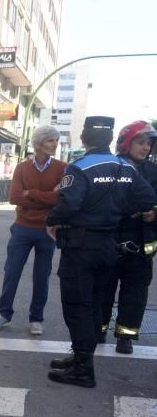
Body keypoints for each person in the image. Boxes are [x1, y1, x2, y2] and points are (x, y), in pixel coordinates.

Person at [45, 117, 157, 387]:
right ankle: (80, 357)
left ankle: (83, 368)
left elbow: (69, 204)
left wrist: (51, 221)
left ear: (83, 138)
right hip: (108, 246)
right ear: (110, 140)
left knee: (77, 306)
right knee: (94, 304)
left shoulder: (80, 167)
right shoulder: (126, 168)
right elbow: (147, 201)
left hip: (82, 246)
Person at [0, 126, 65, 335]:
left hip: (47, 230)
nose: (55, 144)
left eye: (56, 140)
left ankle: (36, 318)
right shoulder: (22, 168)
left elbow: (61, 198)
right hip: (22, 228)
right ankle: (4, 314)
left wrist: (31, 194)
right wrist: (48, 197)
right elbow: (14, 198)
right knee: (11, 272)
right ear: (38, 144)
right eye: (50, 140)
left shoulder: (62, 168)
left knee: (42, 276)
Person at [96, 120, 157, 354]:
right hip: (111, 241)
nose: (145, 148)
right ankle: (98, 330)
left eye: (149, 144)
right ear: (126, 143)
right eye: (140, 142)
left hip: (141, 244)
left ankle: (125, 337)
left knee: (135, 294)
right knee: (102, 290)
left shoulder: (154, 172)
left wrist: (153, 215)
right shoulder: (111, 167)